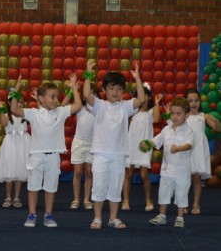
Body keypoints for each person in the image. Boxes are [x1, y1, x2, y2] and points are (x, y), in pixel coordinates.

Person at [11, 73, 82, 228]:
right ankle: (32, 214)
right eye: (52, 97)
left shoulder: (61, 112)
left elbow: (78, 106)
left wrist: (73, 88)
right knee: (33, 187)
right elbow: (14, 110)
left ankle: (48, 215)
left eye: (57, 96)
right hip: (36, 156)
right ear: (41, 99)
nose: (56, 100)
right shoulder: (33, 113)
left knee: (50, 187)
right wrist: (16, 89)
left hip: (53, 156)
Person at [83, 60, 145, 229]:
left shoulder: (125, 107)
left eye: (119, 89)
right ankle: (97, 218)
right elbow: (87, 94)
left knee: (115, 188)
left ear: (123, 91)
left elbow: (141, 99)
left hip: (118, 155)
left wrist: (137, 78)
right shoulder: (100, 106)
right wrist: (88, 72)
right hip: (101, 155)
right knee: (99, 187)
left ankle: (113, 218)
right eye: (111, 88)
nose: (115, 92)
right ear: (104, 90)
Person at [140, 97, 194, 228]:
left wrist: (178, 148)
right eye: (173, 113)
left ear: (186, 115)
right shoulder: (166, 130)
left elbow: (189, 145)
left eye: (178, 114)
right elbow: (155, 141)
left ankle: (180, 217)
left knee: (181, 194)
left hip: (182, 171)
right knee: (163, 193)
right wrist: (147, 143)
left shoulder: (188, 131)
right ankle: (162, 215)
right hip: (167, 170)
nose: (175, 116)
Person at [122, 84, 163, 212]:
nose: (143, 97)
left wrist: (157, 103)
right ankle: (126, 200)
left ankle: (148, 199)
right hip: (131, 144)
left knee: (144, 174)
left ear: (149, 97)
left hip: (145, 146)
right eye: (140, 95)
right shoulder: (133, 111)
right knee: (128, 173)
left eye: (145, 95)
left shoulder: (151, 111)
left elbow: (156, 119)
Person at [185, 88, 221, 214]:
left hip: (199, 149)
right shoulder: (183, 116)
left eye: (196, 100)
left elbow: (218, 129)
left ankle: (196, 204)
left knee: (197, 178)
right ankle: (183, 204)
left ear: (200, 101)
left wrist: (216, 121)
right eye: (190, 101)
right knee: (184, 178)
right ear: (186, 102)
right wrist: (168, 113)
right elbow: (170, 122)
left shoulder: (203, 116)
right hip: (186, 149)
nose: (194, 103)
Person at [0, 88, 31, 208]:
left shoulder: (25, 114)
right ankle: (8, 196)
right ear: (10, 103)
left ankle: (17, 197)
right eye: (17, 101)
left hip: (23, 144)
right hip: (10, 143)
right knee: (10, 170)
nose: (19, 104)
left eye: (21, 101)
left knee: (20, 171)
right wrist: (0, 109)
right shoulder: (6, 115)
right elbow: (4, 124)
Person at [69, 82, 99, 210]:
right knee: (77, 172)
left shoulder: (99, 108)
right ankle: (76, 199)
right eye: (88, 91)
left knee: (89, 173)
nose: (90, 94)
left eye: (93, 92)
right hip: (79, 142)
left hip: (92, 143)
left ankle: (87, 199)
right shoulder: (79, 107)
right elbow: (64, 105)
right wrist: (73, 90)